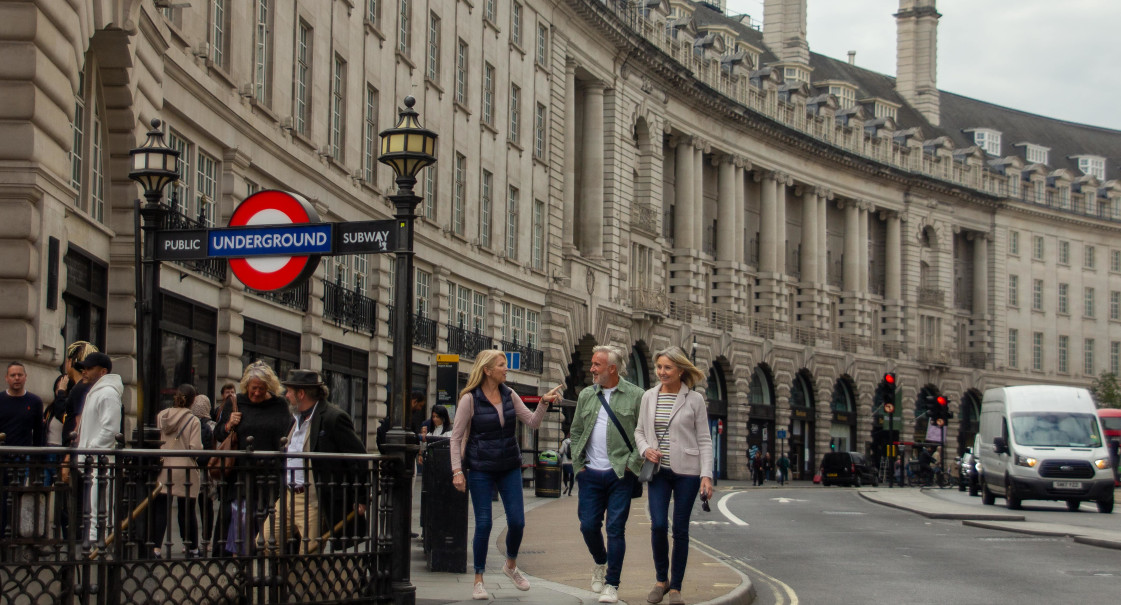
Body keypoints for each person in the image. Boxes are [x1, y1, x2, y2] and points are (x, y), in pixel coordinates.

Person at [449, 350, 560, 600]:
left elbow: (532, 422)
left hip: (509, 465)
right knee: (484, 524)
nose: (505, 369)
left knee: (518, 522)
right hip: (480, 467)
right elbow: (455, 438)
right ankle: (478, 579)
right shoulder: (470, 399)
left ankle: (510, 565)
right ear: (487, 370)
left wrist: (543, 403)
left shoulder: (510, 395)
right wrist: (457, 470)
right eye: (501, 365)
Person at [634, 346, 713, 605]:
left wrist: (706, 475)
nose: (662, 372)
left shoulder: (694, 400)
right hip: (658, 471)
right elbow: (639, 431)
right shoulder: (648, 396)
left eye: (668, 367)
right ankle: (661, 580)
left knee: (679, 529)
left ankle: (676, 587)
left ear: (680, 370)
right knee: (658, 524)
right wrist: (646, 450)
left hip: (687, 473)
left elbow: (704, 439)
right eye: (659, 367)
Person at [569, 345, 644, 604]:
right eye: (592, 364)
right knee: (588, 525)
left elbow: (642, 434)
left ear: (612, 368)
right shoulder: (587, 395)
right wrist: (578, 467)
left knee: (615, 528)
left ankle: (612, 584)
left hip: (620, 474)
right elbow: (576, 430)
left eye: (597, 365)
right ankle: (601, 561)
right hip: (590, 473)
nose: (591, 369)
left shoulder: (636, 395)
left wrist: (632, 465)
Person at [265, 369, 367, 555]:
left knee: (309, 554)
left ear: (301, 393)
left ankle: (304, 583)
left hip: (312, 498)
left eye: (289, 391)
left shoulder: (333, 418)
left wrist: (360, 497)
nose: (286, 395)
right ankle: (284, 581)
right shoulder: (295, 419)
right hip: (287, 494)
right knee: (265, 542)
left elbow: (358, 457)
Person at [211, 361, 290, 556]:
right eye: (254, 388)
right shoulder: (235, 402)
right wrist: (229, 424)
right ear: (247, 385)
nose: (257, 393)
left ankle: (260, 566)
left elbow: (288, 433)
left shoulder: (279, 405)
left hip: (269, 477)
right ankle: (233, 563)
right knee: (237, 523)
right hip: (240, 477)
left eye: (262, 389)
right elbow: (219, 433)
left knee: (265, 527)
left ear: (269, 388)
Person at [72, 352, 123, 544]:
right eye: (83, 368)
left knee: (99, 506)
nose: (84, 371)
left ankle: (98, 543)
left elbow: (110, 429)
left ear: (102, 371)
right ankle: (95, 540)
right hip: (94, 459)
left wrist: (90, 450)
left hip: (99, 461)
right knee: (94, 507)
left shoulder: (108, 393)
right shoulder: (98, 392)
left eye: (89, 368)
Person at [152, 384, 204, 557]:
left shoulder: (161, 416)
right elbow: (195, 448)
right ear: (193, 400)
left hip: (164, 467)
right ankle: (191, 547)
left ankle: (156, 548)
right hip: (185, 470)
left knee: (160, 509)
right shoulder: (193, 420)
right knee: (187, 511)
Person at [190, 394, 216, 550]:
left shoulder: (189, 423)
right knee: (207, 506)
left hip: (192, 469)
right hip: (208, 471)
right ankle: (206, 539)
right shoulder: (212, 425)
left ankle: (189, 541)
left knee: (189, 506)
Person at [0, 361, 44, 447]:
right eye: (13, 375)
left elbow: (39, 432)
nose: (17, 378)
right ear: (6, 378)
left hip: (25, 454)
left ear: (25, 377)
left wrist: (37, 457)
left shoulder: (35, 401)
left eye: (20, 375)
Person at [560, 432, 574, 496]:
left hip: (565, 462)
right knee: (572, 477)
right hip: (573, 463)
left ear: (568, 435)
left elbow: (561, 451)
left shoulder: (564, 442)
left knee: (565, 476)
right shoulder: (575, 442)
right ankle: (570, 492)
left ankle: (566, 486)